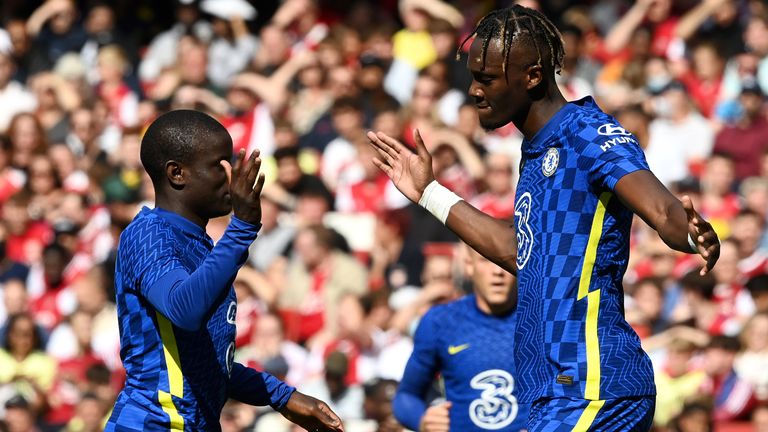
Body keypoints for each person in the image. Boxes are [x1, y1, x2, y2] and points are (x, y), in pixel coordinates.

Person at [368, 5, 720, 430]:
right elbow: (522, 251)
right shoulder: (534, 153)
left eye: (487, 79)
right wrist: (429, 193)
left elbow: (662, 208)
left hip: (592, 382)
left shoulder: (586, 131)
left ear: (532, 76)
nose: (475, 91)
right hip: (556, 391)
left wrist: (689, 234)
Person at [105, 110, 343, 431]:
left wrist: (282, 396)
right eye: (219, 164)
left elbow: (207, 362)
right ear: (177, 173)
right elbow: (184, 309)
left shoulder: (201, 245)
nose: (232, 176)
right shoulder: (148, 233)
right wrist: (241, 229)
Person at [393, 243, 530, 431]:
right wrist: (423, 420)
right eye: (487, 260)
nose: (497, 271)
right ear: (469, 265)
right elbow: (405, 396)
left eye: (506, 260)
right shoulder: (440, 322)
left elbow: (572, 388)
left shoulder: (542, 322)